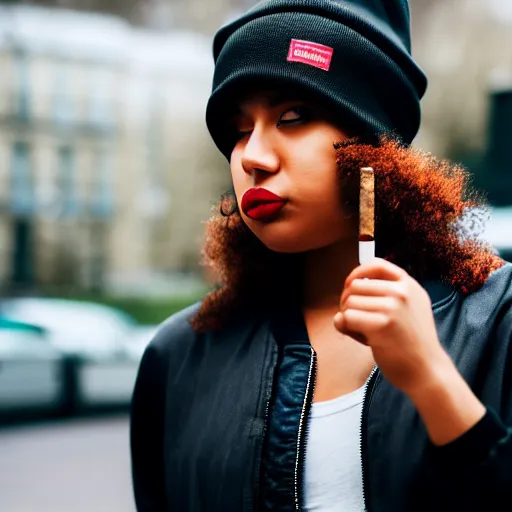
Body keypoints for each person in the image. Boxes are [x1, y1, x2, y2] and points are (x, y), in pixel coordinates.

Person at [130, 1, 512, 510]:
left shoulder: (498, 322)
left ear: (376, 151)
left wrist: (431, 379)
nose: (253, 158)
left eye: (293, 116)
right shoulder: (178, 355)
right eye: (239, 130)